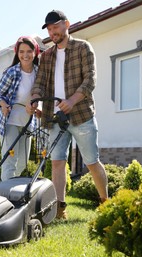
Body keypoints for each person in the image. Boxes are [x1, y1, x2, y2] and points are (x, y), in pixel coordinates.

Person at [27, 10, 108, 219]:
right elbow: (40, 83)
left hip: (81, 115)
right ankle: (59, 208)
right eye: (50, 29)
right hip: (56, 118)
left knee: (91, 161)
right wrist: (35, 99)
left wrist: (72, 101)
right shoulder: (46, 56)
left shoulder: (83, 48)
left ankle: (106, 203)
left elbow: (90, 80)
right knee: (57, 162)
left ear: (66, 25)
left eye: (56, 27)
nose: (53, 32)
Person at [0, 36, 40, 181]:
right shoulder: (12, 72)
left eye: (28, 51)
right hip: (10, 121)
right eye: (21, 51)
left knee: (22, 163)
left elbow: (40, 94)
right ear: (17, 53)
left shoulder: (39, 73)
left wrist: (38, 108)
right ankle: (5, 196)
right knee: (9, 162)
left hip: (27, 122)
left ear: (35, 52)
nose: (25, 55)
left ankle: (15, 191)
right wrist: (3, 105)